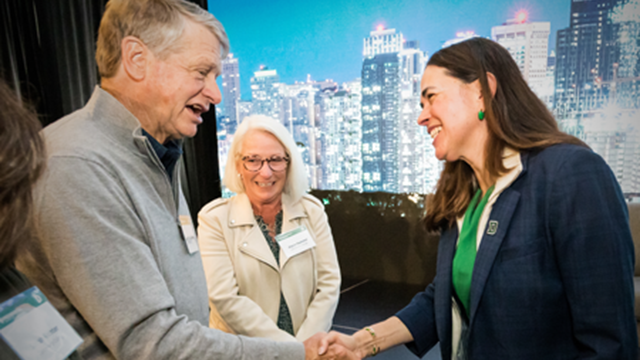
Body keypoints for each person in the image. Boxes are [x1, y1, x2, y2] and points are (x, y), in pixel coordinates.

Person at [14, 0, 341, 359]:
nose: (216, 94)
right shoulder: (78, 165)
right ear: (137, 59)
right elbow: (155, 345)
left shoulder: (155, 155)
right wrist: (299, 355)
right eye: (202, 73)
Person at [317, 37, 638, 360]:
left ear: (482, 92)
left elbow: (609, 344)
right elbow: (447, 296)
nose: (422, 117)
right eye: (420, 105)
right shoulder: (465, 197)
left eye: (432, 98)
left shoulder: (571, 174)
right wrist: (360, 343)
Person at [197, 115, 341, 341]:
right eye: (253, 160)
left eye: (275, 159)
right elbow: (224, 298)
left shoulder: (312, 211)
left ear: (289, 163)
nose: (266, 172)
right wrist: (290, 351)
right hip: (244, 352)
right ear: (238, 165)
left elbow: (329, 284)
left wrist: (305, 346)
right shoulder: (214, 219)